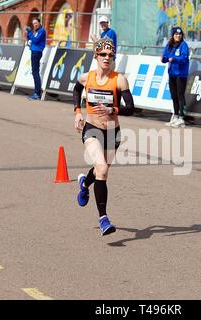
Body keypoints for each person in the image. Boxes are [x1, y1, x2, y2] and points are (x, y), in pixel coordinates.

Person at [72, 38, 135, 236]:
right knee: (103, 168)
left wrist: (112, 109)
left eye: (111, 55)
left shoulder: (119, 79)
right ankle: (103, 219)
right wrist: (77, 112)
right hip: (91, 129)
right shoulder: (86, 78)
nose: (107, 58)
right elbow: (76, 90)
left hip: (112, 131)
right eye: (103, 55)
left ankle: (84, 183)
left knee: (101, 171)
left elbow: (131, 108)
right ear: (96, 56)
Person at [161, 26, 190, 128]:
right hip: (172, 73)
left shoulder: (184, 45)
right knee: (174, 96)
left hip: (181, 74)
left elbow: (184, 58)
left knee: (180, 95)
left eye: (180, 34)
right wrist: (163, 58)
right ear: (173, 35)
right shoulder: (169, 45)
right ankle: (175, 116)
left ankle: (181, 118)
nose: (178, 36)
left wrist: (172, 58)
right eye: (176, 34)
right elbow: (165, 57)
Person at [25, 17, 46, 100]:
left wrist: (29, 32)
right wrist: (28, 33)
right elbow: (31, 39)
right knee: (35, 72)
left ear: (39, 23)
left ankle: (37, 93)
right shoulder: (37, 31)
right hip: (34, 51)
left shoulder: (42, 30)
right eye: (33, 23)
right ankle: (36, 92)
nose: (35, 25)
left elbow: (35, 40)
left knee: (35, 72)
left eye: (36, 23)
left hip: (37, 52)